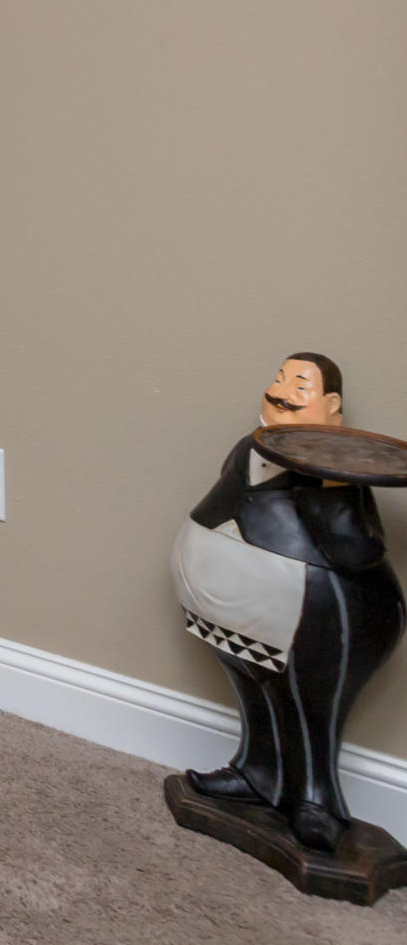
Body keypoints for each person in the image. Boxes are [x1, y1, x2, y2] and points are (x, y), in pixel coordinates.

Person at [173, 353, 404, 850]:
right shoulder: (248, 446)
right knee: (257, 694)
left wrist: (334, 478)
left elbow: (356, 548)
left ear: (331, 404)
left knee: (308, 705)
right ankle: (256, 773)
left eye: (299, 384)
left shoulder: (334, 471)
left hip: (310, 622)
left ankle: (315, 801)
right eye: (278, 378)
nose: (280, 390)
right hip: (233, 616)